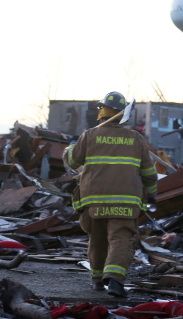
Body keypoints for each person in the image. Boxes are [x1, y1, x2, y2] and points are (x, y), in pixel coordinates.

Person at [63, 92, 157, 297]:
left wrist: (70, 147)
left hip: (93, 201)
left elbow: (72, 161)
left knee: (96, 240)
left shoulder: (89, 136)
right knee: (121, 239)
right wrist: (152, 194)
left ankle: (97, 280)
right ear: (124, 115)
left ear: (102, 111)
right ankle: (114, 280)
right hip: (126, 201)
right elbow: (149, 172)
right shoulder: (135, 139)